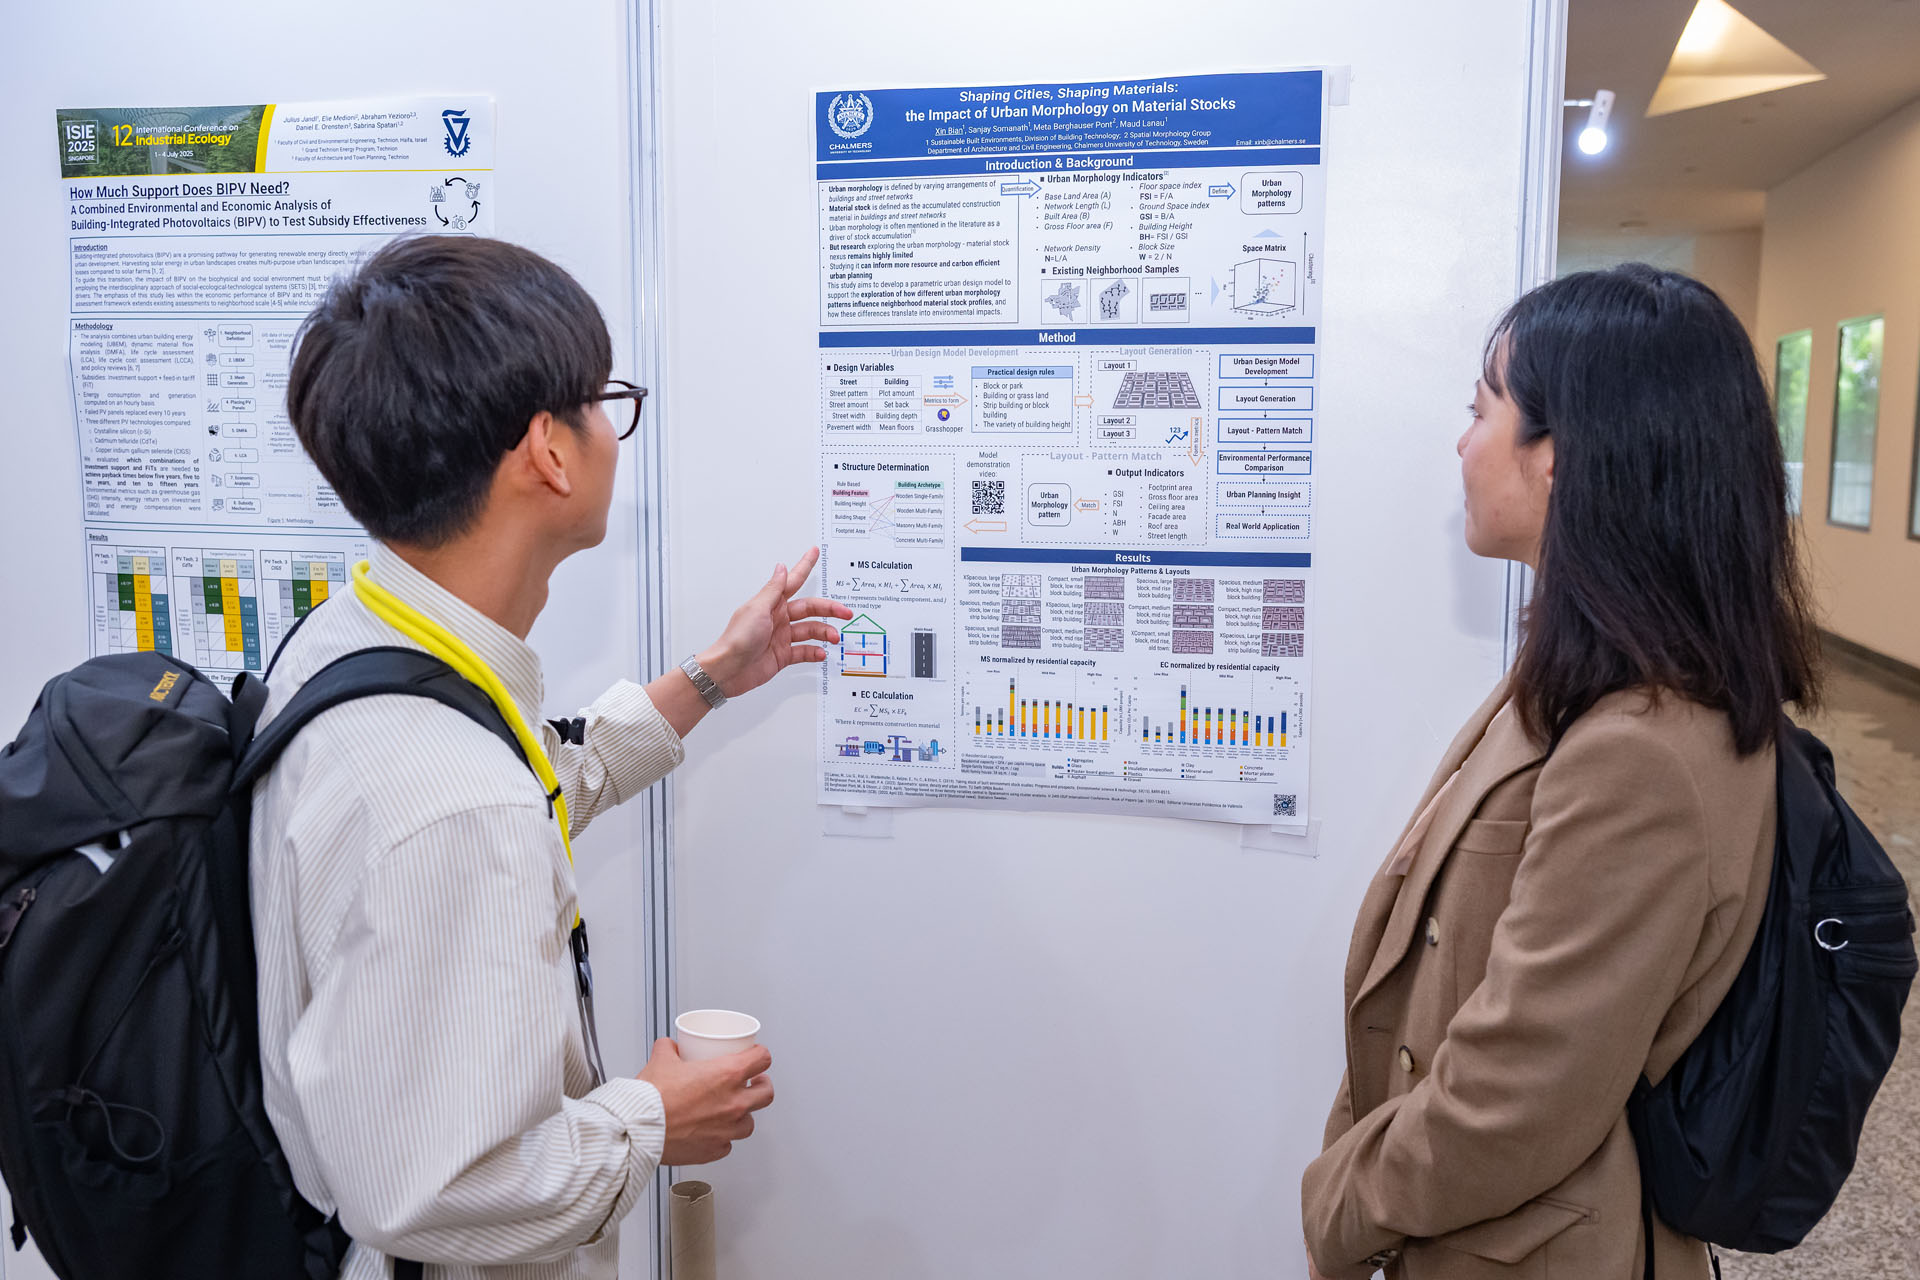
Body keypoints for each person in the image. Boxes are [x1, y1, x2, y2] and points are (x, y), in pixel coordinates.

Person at [251, 234, 851, 1280]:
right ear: (550, 453)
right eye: (603, 402)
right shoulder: (449, 803)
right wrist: (654, 1115)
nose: (615, 432)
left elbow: (519, 791)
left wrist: (707, 678)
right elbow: (432, 1190)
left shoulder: (352, 643)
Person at [1302, 264, 1821, 1279]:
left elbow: (1520, 1094)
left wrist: (1342, 1205)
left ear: (1560, 457)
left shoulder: (1642, 748)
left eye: (1482, 410)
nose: (1462, 443)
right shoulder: (1591, 676)